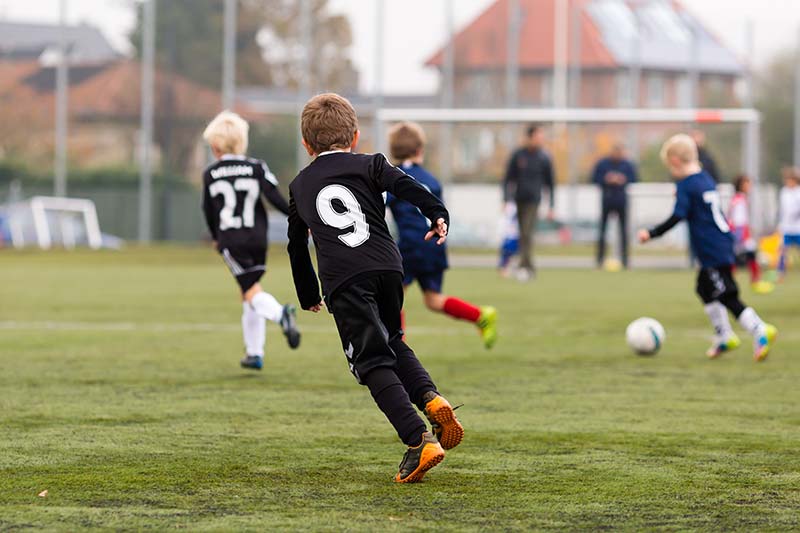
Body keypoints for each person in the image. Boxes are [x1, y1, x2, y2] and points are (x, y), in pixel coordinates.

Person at [286, 93, 463, 483]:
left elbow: (297, 244)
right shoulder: (372, 164)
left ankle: (419, 441)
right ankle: (431, 398)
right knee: (393, 340)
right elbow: (408, 186)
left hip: (346, 279)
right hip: (387, 266)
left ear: (306, 145)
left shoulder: (300, 186)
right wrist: (438, 214)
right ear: (354, 136)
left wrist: (308, 293)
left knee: (370, 362)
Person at [638, 134, 777, 362]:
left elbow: (678, 215)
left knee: (726, 294)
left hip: (713, 249)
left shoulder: (685, 185)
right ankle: (725, 336)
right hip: (721, 242)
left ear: (674, 161)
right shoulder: (704, 178)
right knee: (704, 288)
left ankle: (760, 329)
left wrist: (651, 233)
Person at [201, 111, 301, 371]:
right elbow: (276, 198)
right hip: (258, 238)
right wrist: (299, 219)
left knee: (251, 290)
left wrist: (215, 238)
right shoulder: (257, 167)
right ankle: (254, 353)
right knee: (248, 290)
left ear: (214, 146)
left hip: (231, 239)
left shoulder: (211, 174)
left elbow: (209, 210)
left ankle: (281, 314)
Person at [384, 122, 498, 349]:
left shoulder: (393, 179)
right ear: (420, 150)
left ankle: (399, 350)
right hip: (434, 244)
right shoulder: (432, 179)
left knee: (391, 300)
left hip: (410, 245)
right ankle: (480, 316)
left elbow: (380, 207)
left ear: (393, 151)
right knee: (433, 299)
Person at [503, 124, 555, 281]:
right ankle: (526, 265)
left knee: (527, 233)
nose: (541, 139)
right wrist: (505, 199)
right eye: (539, 136)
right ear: (530, 137)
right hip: (519, 199)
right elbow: (508, 178)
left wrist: (551, 205)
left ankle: (525, 267)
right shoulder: (518, 155)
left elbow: (550, 184)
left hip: (534, 201)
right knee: (522, 234)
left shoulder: (544, 157)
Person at [591, 143, 638, 268]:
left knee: (624, 232)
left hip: (621, 201)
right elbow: (594, 178)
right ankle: (599, 260)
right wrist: (606, 179)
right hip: (607, 200)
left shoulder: (627, 165)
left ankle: (625, 261)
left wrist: (623, 179)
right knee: (602, 231)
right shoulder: (603, 164)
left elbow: (634, 178)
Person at [727, 174, 762, 285]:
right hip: (739, 233)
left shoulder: (738, 198)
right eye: (747, 184)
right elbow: (738, 220)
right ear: (741, 185)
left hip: (739, 232)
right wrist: (740, 235)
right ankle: (755, 280)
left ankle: (755, 279)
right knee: (742, 256)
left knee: (745, 256)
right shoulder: (739, 200)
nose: (749, 186)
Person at [778, 166, 800, 281]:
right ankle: (781, 273)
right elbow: (782, 210)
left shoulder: (798, 192)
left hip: (798, 228)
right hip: (786, 228)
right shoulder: (784, 192)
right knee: (782, 251)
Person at [497, 201, 520, 277]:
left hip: (515, 235)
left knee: (516, 254)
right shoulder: (510, 206)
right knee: (506, 254)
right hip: (509, 235)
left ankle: (513, 269)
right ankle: (503, 270)